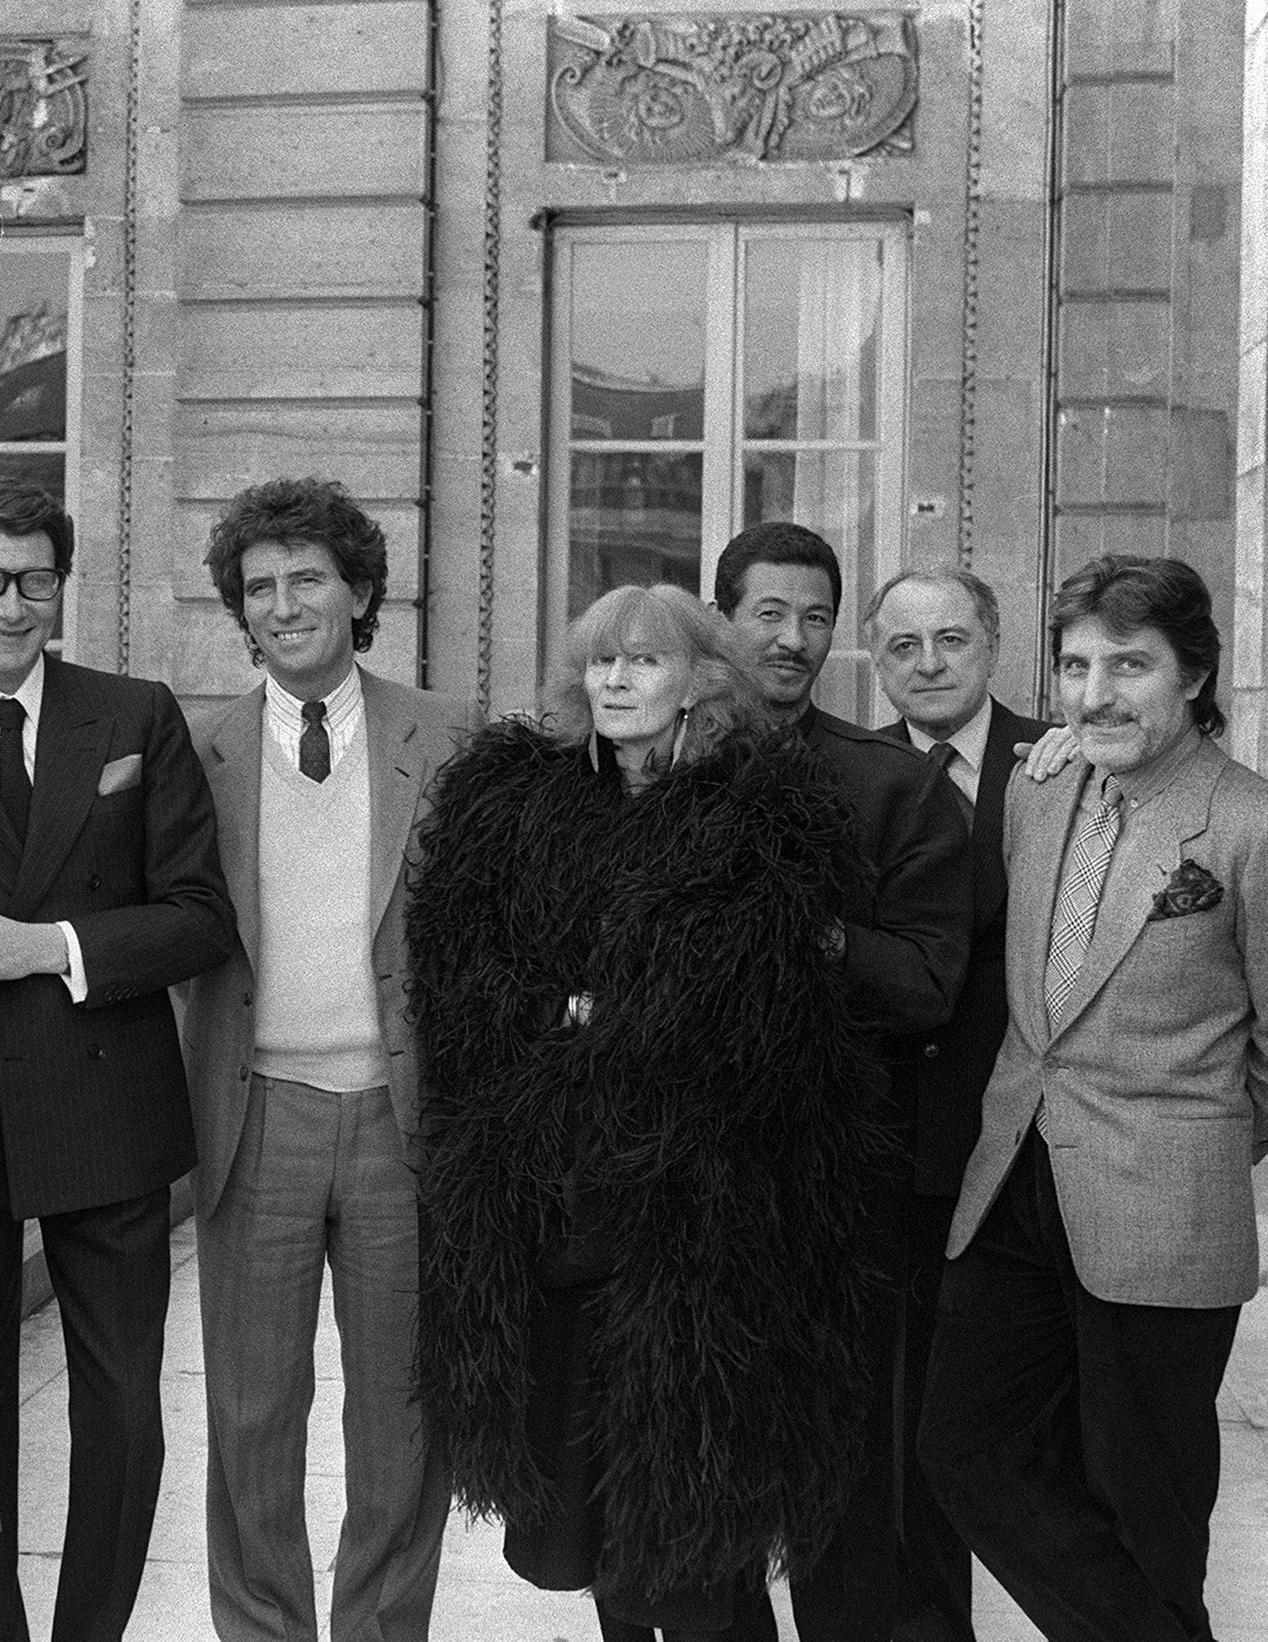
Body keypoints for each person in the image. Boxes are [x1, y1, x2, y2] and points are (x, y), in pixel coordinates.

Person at [409, 582, 880, 1641]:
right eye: (601, 661)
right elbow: (464, 979)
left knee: (694, 1538)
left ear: (701, 682)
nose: (616, 680)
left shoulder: (762, 810)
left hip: (700, 1220)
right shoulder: (521, 798)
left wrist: (604, 1007)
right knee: (593, 1520)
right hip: (553, 1204)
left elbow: (750, 1010)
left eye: (645, 662)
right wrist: (580, 1007)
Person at [0, 477, 238, 1642]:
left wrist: (43, 945)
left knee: (123, 1415)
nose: (11, 605)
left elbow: (200, 917)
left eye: (34, 581)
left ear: (62, 586)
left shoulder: (133, 714)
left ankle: (90, 1630)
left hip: (112, 1106)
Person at [918, 554, 1268, 1642]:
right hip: (1014, 1177)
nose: (1095, 692)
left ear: (1197, 674)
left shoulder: (1249, 824)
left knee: (1147, 1505)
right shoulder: (1040, 783)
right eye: (1075, 665)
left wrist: (1193, 1140)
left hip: (1164, 1205)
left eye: (1130, 664)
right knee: (962, 1447)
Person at [181, 478, 460, 1642]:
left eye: (306, 579)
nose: (283, 605)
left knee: (403, 1422)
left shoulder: (448, 735)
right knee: (250, 1421)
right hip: (256, 1120)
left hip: (405, 1120)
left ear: (357, 590)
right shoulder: (198, 750)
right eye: (259, 588)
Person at [709, 524, 972, 1642]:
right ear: (721, 616)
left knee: (843, 1478)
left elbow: (926, 982)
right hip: (684, 1183)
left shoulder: (894, 785)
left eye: (817, 616)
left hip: (836, 1191)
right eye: (769, 612)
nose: (795, 638)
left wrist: (812, 937)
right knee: (696, 1466)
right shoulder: (649, 767)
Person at [861, 566, 1052, 1641]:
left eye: (950, 640)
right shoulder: (851, 772)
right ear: (876, 658)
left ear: (990, 644)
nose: (928, 663)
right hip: (891, 1145)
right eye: (903, 646)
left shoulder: (1061, 761)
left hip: (1023, 1146)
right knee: (906, 1426)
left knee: (1019, 1432)